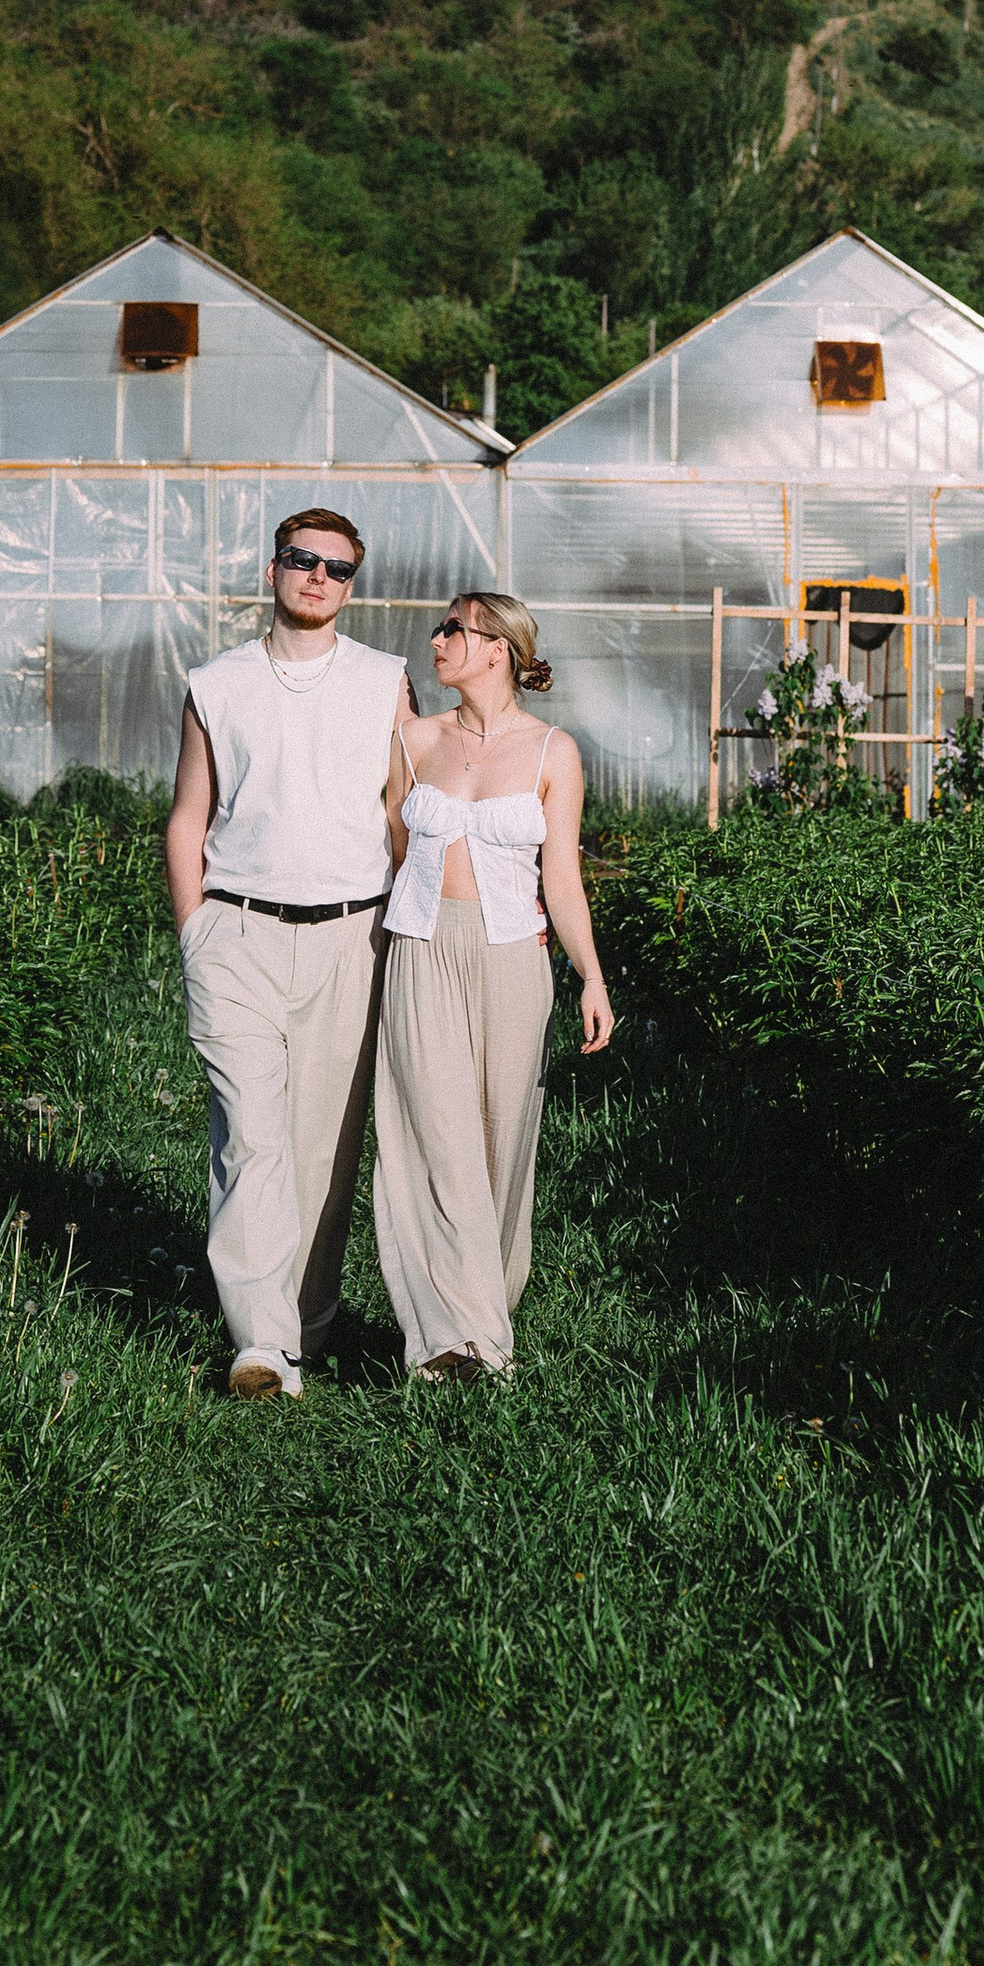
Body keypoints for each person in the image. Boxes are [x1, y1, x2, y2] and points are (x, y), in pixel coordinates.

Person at [165, 510, 413, 1399]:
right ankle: (259, 1343)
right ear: (274, 568)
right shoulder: (216, 684)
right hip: (237, 932)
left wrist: (411, 926)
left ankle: (305, 1324)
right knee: (252, 1140)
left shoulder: (386, 681)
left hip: (354, 932)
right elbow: (189, 815)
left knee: (324, 1148)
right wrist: (196, 930)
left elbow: (400, 813)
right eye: (303, 561)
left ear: (353, 586)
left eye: (338, 569)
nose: (318, 578)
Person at [372, 591, 613, 1383]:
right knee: (431, 1137)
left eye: (454, 630)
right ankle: (455, 1341)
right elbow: (399, 849)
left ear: (498, 649)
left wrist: (591, 975)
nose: (437, 640)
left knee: (500, 1141)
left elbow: (564, 876)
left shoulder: (553, 752)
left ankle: (487, 1303)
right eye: (440, 628)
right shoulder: (412, 741)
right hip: (421, 947)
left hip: (514, 958)